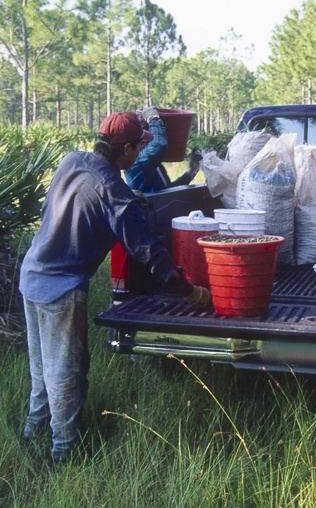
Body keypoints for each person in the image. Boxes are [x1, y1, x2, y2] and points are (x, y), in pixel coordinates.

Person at [18, 111, 211, 462]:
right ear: (125, 149)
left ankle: (31, 435)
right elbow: (148, 251)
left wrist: (127, 199)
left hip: (31, 272)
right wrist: (189, 291)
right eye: (139, 146)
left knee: (41, 370)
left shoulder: (73, 160)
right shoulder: (114, 192)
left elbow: (72, 199)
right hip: (61, 288)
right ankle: (64, 453)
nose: (139, 154)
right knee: (67, 373)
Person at [125, 106, 202, 193]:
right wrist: (153, 118)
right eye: (146, 140)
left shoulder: (152, 164)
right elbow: (159, 146)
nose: (149, 142)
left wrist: (190, 172)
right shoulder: (135, 163)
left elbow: (167, 191)